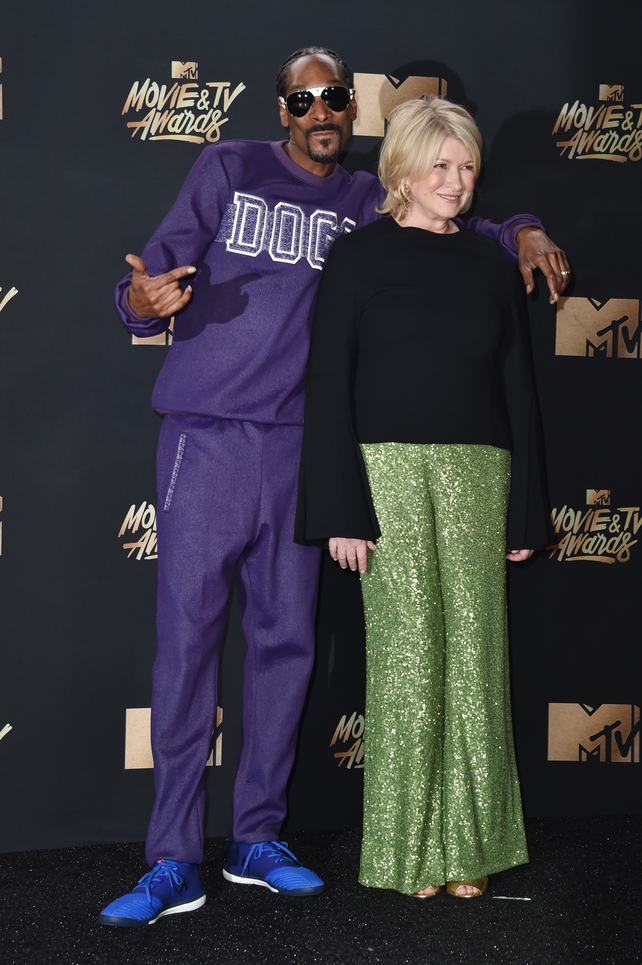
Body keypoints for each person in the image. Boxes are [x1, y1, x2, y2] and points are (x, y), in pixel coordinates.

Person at [99, 48, 568, 927]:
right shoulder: (226, 166)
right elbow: (148, 274)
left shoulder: (364, 201)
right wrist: (140, 302)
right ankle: (169, 856)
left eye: (336, 97)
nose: (321, 109)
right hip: (208, 438)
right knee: (189, 644)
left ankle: (258, 838)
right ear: (283, 107)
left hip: (305, 446)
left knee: (287, 646)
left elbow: (458, 216)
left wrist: (527, 228)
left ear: (353, 111)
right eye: (304, 96)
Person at [295, 96, 551, 899]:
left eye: (467, 166)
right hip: (388, 476)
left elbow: (519, 391)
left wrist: (526, 509)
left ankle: (469, 845)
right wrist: (340, 509)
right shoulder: (357, 259)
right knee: (408, 664)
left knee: (477, 659)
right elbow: (328, 389)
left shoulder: (489, 265)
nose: (456, 180)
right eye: (440, 165)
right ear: (402, 168)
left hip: (482, 476)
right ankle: (409, 853)